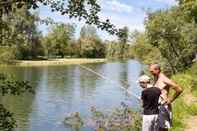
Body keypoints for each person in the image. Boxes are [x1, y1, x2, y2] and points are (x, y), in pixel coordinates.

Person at [149, 63, 183, 131]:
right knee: (158, 128)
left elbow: (179, 89)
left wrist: (171, 99)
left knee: (163, 128)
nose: (151, 73)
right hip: (157, 107)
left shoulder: (164, 79)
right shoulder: (156, 77)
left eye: (152, 71)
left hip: (163, 107)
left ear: (157, 70)